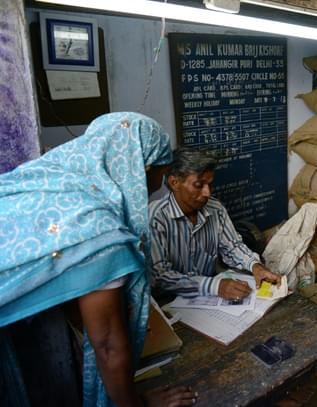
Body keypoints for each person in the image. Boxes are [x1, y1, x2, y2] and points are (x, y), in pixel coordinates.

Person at [0, 112, 197, 406]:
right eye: (163, 172)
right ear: (143, 170)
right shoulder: (98, 231)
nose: (162, 182)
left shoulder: (47, 179)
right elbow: (107, 346)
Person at [149, 147, 279, 301]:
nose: (207, 193)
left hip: (207, 299)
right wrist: (215, 286)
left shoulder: (215, 208)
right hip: (168, 303)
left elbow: (232, 247)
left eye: (210, 185)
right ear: (174, 182)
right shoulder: (155, 217)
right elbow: (160, 277)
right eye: (199, 185)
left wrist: (255, 266)